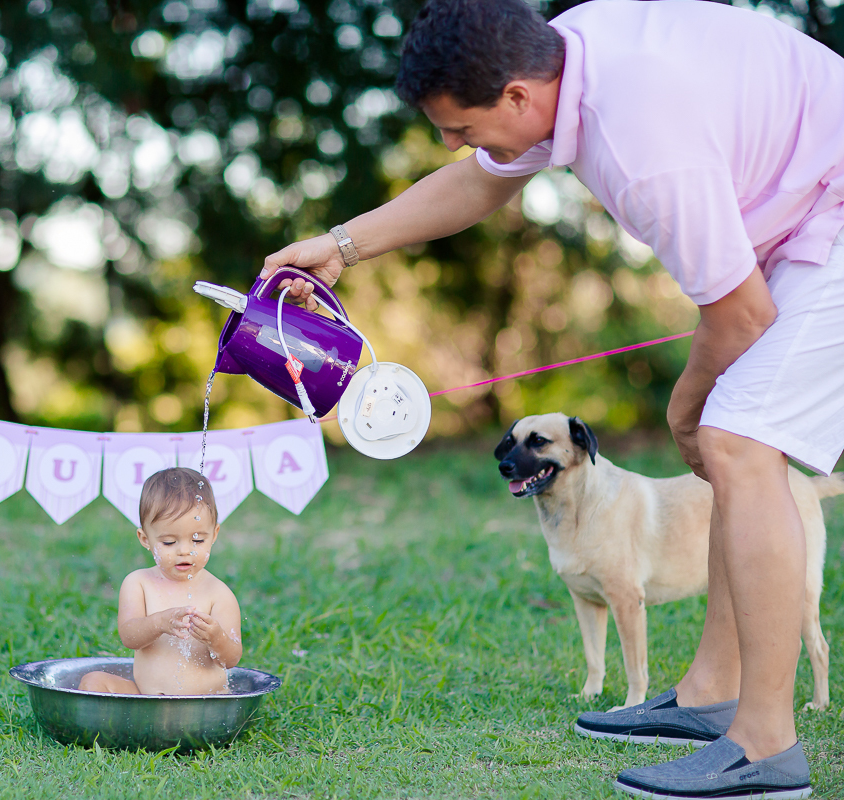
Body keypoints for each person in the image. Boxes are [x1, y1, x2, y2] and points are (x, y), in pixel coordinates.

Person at [262, 0, 844, 797]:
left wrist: (684, 406)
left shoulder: (640, 145)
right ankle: (713, 697)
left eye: (460, 128)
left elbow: (742, 316)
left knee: (736, 440)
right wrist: (340, 245)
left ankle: (767, 747)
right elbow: (479, 181)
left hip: (835, 211)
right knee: (727, 432)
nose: (453, 145)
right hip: (807, 202)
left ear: (516, 98)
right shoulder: (564, 51)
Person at [78, 467, 242, 695]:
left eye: (197, 540)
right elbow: (129, 637)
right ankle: (112, 726)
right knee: (93, 681)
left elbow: (231, 658)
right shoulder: (139, 583)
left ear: (213, 534)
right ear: (145, 539)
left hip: (202, 703)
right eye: (168, 543)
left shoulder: (218, 593)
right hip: (147, 699)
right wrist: (159, 623)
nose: (184, 551)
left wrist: (216, 638)